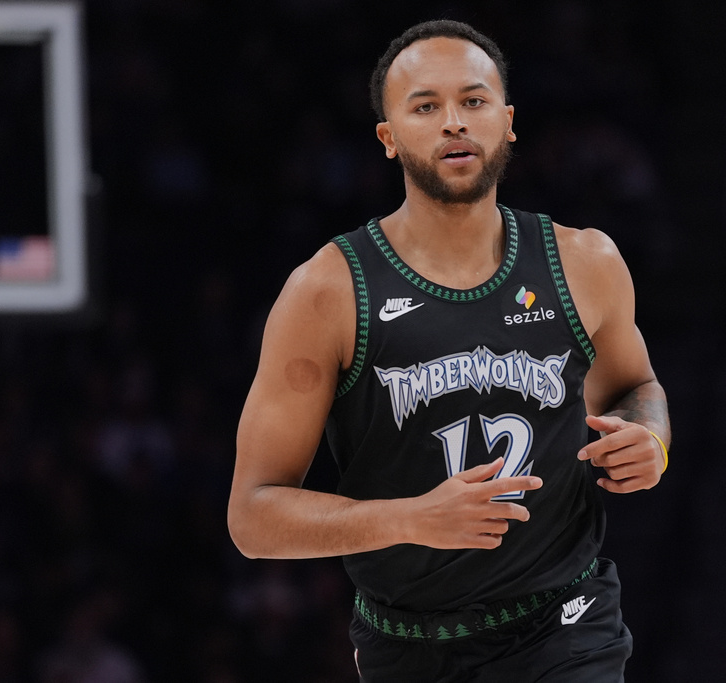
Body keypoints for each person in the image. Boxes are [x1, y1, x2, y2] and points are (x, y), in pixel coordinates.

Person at [228, 19, 671, 682]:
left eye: (473, 101)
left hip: (566, 621)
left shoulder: (586, 261)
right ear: (388, 137)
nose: (454, 123)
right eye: (426, 106)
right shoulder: (329, 290)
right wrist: (412, 518)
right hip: (409, 640)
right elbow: (254, 517)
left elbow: (637, 388)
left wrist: (650, 438)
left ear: (508, 120)